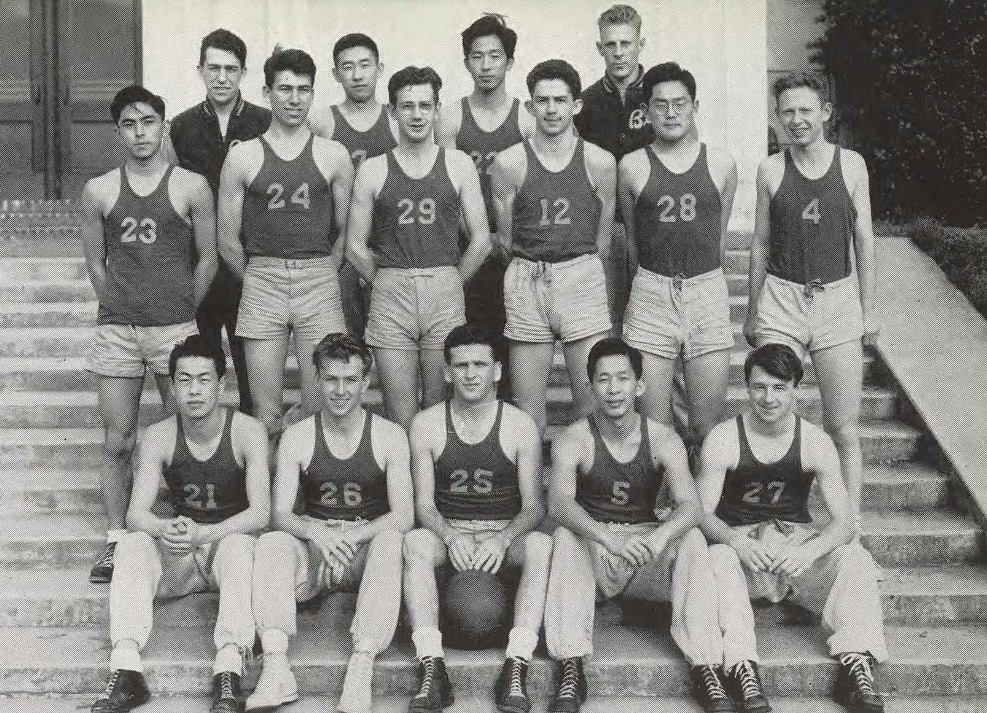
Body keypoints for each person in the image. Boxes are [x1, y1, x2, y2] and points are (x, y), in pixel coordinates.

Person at [544, 338, 734, 713]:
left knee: (692, 538)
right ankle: (571, 664)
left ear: (640, 386)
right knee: (566, 536)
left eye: (623, 379)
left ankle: (706, 664)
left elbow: (691, 505)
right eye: (603, 379)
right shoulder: (573, 439)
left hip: (647, 549)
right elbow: (559, 504)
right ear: (590, 387)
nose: (614, 389)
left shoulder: (663, 437)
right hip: (598, 552)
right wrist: (608, 538)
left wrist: (661, 534)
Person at [697, 343, 887, 713]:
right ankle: (741, 667)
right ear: (747, 388)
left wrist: (809, 551)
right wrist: (736, 541)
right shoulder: (723, 437)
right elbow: (700, 513)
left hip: (793, 551)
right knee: (717, 557)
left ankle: (856, 664)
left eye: (779, 388)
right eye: (759, 387)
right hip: (745, 553)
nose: (768, 398)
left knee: (855, 558)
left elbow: (845, 520)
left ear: (796, 389)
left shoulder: (815, 440)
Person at [80, 85, 218, 584]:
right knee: (118, 439)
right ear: (119, 131)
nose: (141, 133)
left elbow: (208, 257)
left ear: (163, 126)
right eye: (130, 124)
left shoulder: (191, 186)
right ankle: (117, 540)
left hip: (175, 329)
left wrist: (183, 307)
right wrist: (116, 300)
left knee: (184, 431)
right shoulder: (99, 189)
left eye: (149, 122)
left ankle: (185, 533)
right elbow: (95, 259)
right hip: (118, 331)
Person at [91, 335, 270, 713]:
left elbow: (261, 514)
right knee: (133, 543)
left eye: (204, 379)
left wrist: (205, 533)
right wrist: (163, 530)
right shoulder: (158, 435)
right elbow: (137, 514)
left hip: (226, 548)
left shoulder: (247, 431)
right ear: (172, 386)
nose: (194, 390)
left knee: (241, 545)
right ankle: (126, 670)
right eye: (184, 380)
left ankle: (229, 671)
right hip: (182, 552)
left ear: (222, 384)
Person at [248, 333, 413, 713]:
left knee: (391, 541)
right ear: (318, 380)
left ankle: (362, 664)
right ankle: (275, 666)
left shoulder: (389, 436)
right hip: (317, 551)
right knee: (271, 543)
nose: (340, 390)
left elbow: (404, 515)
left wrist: (354, 534)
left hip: (363, 552)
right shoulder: (297, 437)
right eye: (331, 380)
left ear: (366, 382)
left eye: (350, 380)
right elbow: (279, 513)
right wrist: (315, 532)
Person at [743, 71, 878, 527]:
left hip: (837, 301)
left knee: (842, 426)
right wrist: (754, 308)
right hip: (782, 300)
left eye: (805, 110)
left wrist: (868, 308)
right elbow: (760, 243)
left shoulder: (852, 165)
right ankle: (772, 520)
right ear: (777, 117)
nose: (796, 120)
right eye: (787, 112)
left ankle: (849, 530)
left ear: (825, 112)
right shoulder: (770, 169)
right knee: (772, 416)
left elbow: (864, 239)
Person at [402, 324, 550, 713]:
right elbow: (424, 505)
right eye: (461, 365)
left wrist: (502, 539)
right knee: (415, 543)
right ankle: (431, 665)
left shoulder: (519, 425)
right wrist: (451, 537)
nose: (470, 374)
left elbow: (534, 506)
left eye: (480, 365)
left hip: (503, 535)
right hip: (448, 534)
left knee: (540, 544)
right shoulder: (427, 424)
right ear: (447, 372)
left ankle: (517, 663)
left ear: (498, 371)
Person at [218, 48, 354, 446]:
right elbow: (227, 240)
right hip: (262, 278)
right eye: (285, 89)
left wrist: (322, 270)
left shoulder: (333, 154)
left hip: (317, 277)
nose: (294, 99)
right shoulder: (243, 156)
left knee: (321, 403)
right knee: (266, 412)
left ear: (313, 94)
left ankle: (306, 498)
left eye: (303, 90)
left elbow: (344, 231)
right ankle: (269, 501)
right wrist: (261, 277)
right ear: (266, 92)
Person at [346, 66, 491, 431]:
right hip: (392, 291)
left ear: (437, 109)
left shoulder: (457, 164)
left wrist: (453, 279)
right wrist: (383, 280)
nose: (416, 114)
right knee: (401, 414)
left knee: (442, 409)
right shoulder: (374, 169)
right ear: (392, 112)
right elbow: (354, 246)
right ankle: (403, 488)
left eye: (425, 105)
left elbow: (481, 239)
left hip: (443, 286)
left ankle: (435, 488)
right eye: (407, 106)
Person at [490, 59, 615, 437]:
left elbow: (603, 241)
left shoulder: (599, 161)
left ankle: (582, 491)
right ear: (529, 106)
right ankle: (530, 496)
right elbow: (506, 240)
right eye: (541, 100)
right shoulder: (509, 162)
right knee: (528, 409)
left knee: (590, 401)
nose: (551, 109)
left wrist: (574, 269)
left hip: (581, 275)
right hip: (528, 276)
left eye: (560, 100)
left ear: (576, 105)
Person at [618, 62, 738, 453]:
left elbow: (717, 237)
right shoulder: (632, 165)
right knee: (655, 423)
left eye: (679, 104)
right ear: (647, 112)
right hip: (652, 293)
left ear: (694, 106)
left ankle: (701, 504)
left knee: (705, 423)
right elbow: (634, 242)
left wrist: (703, 283)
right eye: (661, 104)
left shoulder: (721, 163)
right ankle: (667, 502)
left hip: (706, 293)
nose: (670, 112)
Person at [168, 28, 271, 415]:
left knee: (254, 371)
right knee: (203, 365)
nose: (222, 77)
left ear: (244, 72)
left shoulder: (265, 122)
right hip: (201, 263)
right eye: (214, 68)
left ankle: (252, 457)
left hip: (249, 263)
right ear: (200, 70)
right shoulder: (180, 127)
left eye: (231, 68)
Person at [436, 14, 534, 395]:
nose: (486, 65)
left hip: (514, 245)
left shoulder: (526, 119)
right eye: (477, 57)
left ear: (509, 62)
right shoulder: (451, 118)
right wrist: (478, 236)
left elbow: (535, 184)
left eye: (495, 56)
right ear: (466, 63)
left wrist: (504, 238)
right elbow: (443, 183)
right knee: (467, 334)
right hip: (464, 243)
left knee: (512, 337)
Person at [311, 33, 398, 339]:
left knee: (392, 339)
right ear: (336, 74)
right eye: (348, 67)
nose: (358, 75)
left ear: (380, 68)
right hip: (341, 247)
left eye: (365, 65)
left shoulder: (398, 119)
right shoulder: (322, 122)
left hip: (390, 246)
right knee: (344, 343)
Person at [575, 4, 657, 324]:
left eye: (626, 43)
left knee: (651, 318)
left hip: (652, 223)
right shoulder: (586, 102)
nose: (619, 53)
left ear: (641, 44)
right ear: (600, 48)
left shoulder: (660, 96)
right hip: (604, 226)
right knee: (606, 317)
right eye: (611, 45)